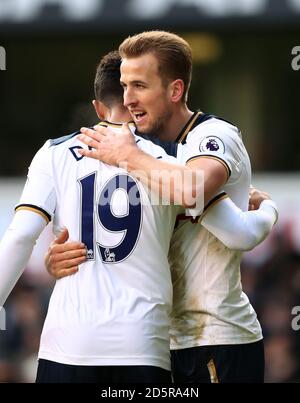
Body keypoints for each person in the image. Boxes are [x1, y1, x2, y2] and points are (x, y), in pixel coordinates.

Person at [47, 38, 278, 383]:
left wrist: (269, 207)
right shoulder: (147, 153)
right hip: (158, 343)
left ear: (175, 90)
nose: (127, 100)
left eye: (139, 86)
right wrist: (58, 260)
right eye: (124, 86)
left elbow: (196, 195)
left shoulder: (212, 136)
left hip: (215, 338)